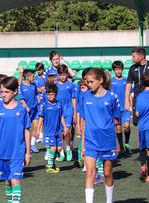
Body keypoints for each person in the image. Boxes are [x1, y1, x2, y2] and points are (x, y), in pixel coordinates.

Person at [0, 76, 31, 203]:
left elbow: (26, 131)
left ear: (15, 92)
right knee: (7, 182)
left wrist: (28, 152)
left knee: (15, 180)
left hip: (17, 152)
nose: (3, 95)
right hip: (2, 152)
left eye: (6, 92)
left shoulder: (22, 110)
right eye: (1, 91)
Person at [80, 68, 121, 203]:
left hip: (107, 141)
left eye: (91, 82)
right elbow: (84, 121)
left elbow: (116, 119)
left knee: (108, 174)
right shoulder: (85, 97)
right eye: (87, 82)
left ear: (101, 80)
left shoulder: (112, 97)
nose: (88, 84)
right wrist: (83, 146)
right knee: (90, 173)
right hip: (90, 141)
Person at [125, 47, 149, 181]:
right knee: (141, 130)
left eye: (133, 56)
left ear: (141, 56)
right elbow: (128, 84)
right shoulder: (133, 68)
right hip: (138, 102)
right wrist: (126, 101)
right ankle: (143, 166)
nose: (132, 58)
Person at [37, 84, 68, 173]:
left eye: (52, 94)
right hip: (49, 131)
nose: (50, 96)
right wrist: (39, 129)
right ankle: (50, 167)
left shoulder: (59, 104)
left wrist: (65, 127)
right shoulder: (45, 105)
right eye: (48, 94)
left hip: (57, 131)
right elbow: (41, 118)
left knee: (58, 149)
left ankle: (52, 164)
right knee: (53, 148)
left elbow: (61, 116)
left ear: (56, 94)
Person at [56, 65, 77, 161]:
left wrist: (75, 112)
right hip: (58, 112)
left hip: (68, 111)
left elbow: (73, 99)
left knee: (67, 131)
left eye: (64, 75)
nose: (62, 77)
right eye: (60, 75)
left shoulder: (71, 85)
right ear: (58, 75)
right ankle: (61, 152)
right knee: (60, 132)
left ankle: (68, 148)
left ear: (67, 75)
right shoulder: (55, 85)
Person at [111, 61, 132, 156]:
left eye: (119, 69)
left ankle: (127, 143)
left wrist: (131, 105)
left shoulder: (126, 80)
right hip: (116, 109)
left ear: (122, 69)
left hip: (126, 107)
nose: (118, 71)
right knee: (118, 128)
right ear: (114, 70)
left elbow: (130, 94)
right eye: (116, 69)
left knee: (127, 126)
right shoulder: (111, 81)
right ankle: (121, 147)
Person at [18, 69, 40, 153]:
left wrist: (39, 102)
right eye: (32, 76)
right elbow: (21, 98)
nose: (34, 77)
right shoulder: (22, 87)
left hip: (35, 109)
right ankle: (23, 144)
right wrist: (26, 106)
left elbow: (37, 94)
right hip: (26, 110)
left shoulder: (33, 85)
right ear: (27, 77)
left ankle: (32, 144)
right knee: (25, 128)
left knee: (36, 125)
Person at [135, 72, 149, 183]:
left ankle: (143, 168)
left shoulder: (139, 95)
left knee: (142, 148)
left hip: (142, 126)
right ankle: (148, 175)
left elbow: (137, 114)